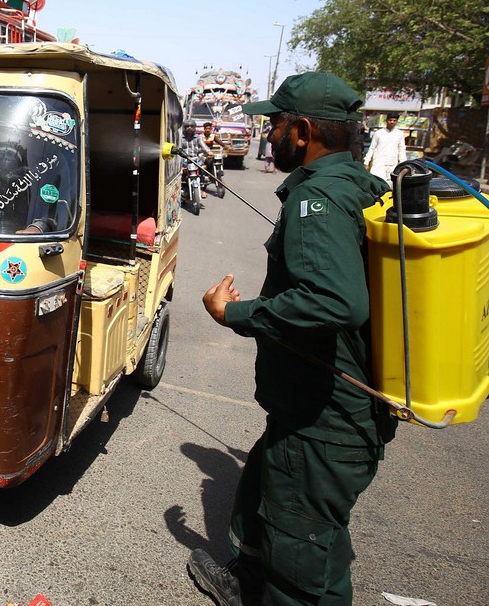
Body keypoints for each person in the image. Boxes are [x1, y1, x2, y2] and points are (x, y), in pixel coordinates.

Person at [191, 72, 397, 606]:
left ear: (302, 131)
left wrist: (235, 312)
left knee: (302, 566)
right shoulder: (356, 183)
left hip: (326, 422)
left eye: (276, 122)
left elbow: (336, 301)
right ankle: (245, 580)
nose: (269, 132)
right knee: (264, 499)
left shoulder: (319, 201)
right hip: (311, 410)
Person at [362, 113, 407, 183]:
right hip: (379, 162)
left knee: (391, 184)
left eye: (394, 120)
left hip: (392, 163)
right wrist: (366, 162)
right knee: (377, 182)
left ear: (397, 121)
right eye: (390, 120)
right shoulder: (378, 133)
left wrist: (403, 163)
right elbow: (372, 148)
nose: (392, 122)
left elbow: (401, 149)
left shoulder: (399, 134)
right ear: (386, 120)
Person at [181, 121, 212, 198]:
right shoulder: (180, 138)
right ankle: (185, 189)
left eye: (191, 126)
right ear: (184, 128)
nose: (189, 128)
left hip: (195, 160)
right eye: (187, 126)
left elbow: (204, 147)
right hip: (184, 161)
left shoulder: (198, 137)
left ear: (194, 127)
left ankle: (201, 189)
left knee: (203, 172)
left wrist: (209, 152)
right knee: (183, 174)